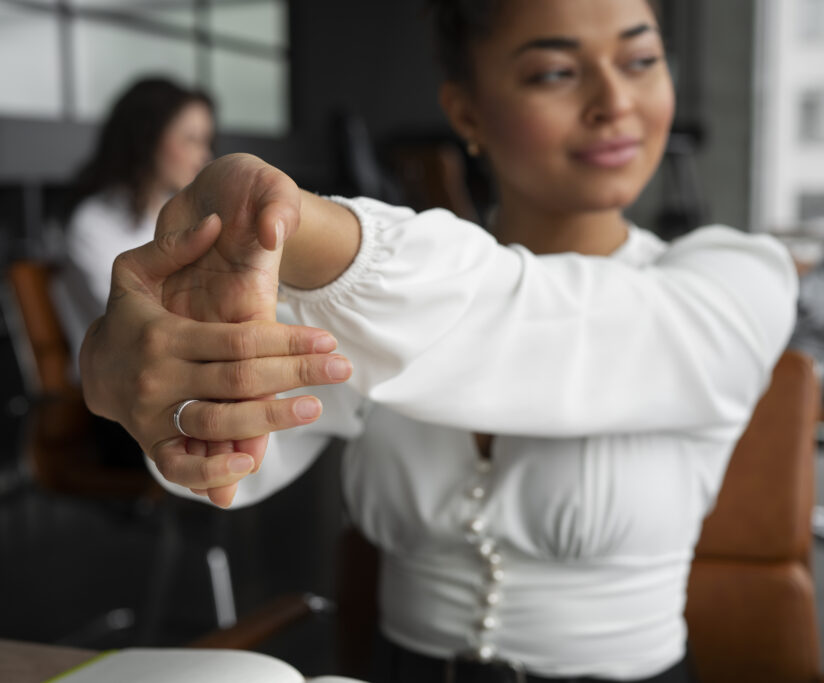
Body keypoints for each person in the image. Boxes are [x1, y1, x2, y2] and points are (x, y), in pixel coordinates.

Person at [78, 1, 798, 681]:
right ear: (466, 111)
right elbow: (221, 461)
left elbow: (525, 320)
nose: (615, 102)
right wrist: (158, 381)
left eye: (642, 61)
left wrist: (290, 219)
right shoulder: (383, 293)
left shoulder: (738, 284)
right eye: (556, 71)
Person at [54, 77, 215, 367]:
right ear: (148, 139)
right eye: (191, 139)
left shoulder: (179, 215)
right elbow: (130, 325)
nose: (204, 155)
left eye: (205, 141)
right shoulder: (91, 224)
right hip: (119, 384)